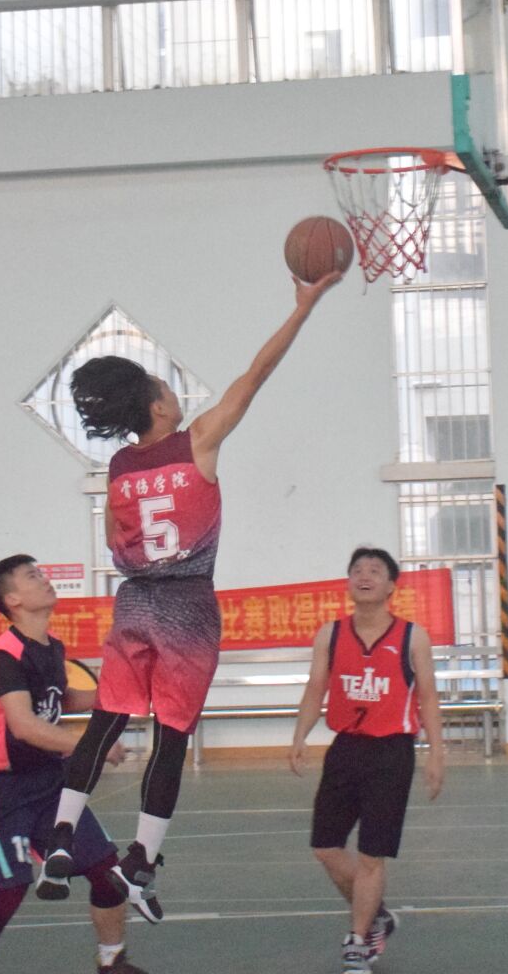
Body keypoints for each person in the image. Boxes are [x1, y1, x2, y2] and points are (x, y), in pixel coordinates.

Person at [41, 272, 340, 919]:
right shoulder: (197, 440)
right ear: (158, 408)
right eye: (166, 387)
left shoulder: (119, 467)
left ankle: (61, 834)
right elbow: (257, 374)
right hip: (188, 606)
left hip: (134, 602)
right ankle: (141, 859)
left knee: (107, 718)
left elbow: (115, 542)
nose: (175, 393)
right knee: (171, 735)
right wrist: (303, 307)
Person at [0, 554, 146, 974]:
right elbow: (23, 725)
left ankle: (112, 962)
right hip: (6, 792)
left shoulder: (51, 648)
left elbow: (59, 700)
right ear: (13, 599)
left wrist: (119, 695)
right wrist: (90, 747)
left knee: (108, 872)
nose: (44, 579)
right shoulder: (3, 656)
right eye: (32, 576)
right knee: (7, 890)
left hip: (50, 783)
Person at [290, 546, 445, 974]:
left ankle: (358, 942)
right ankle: (377, 915)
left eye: (375, 571)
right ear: (348, 582)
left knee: (373, 855)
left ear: (391, 586)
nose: (364, 576)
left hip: (391, 753)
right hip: (345, 750)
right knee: (326, 847)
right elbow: (315, 688)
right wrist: (300, 735)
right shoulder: (331, 634)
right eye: (357, 570)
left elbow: (429, 698)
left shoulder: (412, 637)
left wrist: (436, 754)